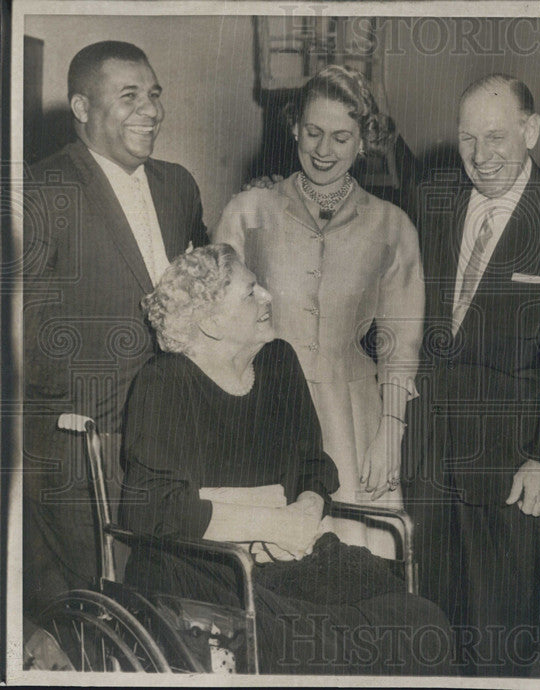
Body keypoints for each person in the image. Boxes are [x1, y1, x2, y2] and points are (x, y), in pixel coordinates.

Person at [118, 244, 451, 675]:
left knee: (425, 623)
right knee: (322, 647)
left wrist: (306, 510)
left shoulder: (278, 361)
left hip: (288, 555)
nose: (268, 297)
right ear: (211, 323)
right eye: (250, 291)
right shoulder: (164, 382)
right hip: (202, 570)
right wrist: (274, 524)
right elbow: (151, 508)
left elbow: (313, 465)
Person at [404, 73, 540, 676]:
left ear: (531, 131)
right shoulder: (432, 201)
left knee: (504, 633)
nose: (481, 156)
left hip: (512, 465)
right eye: (468, 139)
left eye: (496, 137)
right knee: (426, 622)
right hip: (428, 458)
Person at [21, 40, 208, 616]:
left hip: (173, 444)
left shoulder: (178, 186)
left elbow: (201, 293)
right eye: (129, 97)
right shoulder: (39, 192)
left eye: (153, 95)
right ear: (81, 107)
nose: (150, 109)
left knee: (167, 609)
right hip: (83, 452)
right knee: (98, 612)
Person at [212, 65, 423, 555]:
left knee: (349, 569)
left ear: (363, 142)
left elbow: (400, 343)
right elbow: (218, 332)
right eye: (313, 132)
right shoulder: (248, 212)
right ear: (293, 129)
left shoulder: (393, 226)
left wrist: (390, 431)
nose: (324, 150)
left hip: (352, 425)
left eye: (341, 137)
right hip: (263, 413)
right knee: (267, 571)